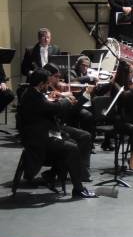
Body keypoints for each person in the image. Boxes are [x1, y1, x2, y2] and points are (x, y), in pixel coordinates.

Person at [17, 69, 96, 198]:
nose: (49, 86)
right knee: (72, 147)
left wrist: (59, 99)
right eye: (47, 83)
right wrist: (66, 100)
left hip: (44, 132)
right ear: (41, 83)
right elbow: (52, 108)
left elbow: (47, 107)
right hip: (39, 139)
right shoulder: (32, 96)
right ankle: (78, 188)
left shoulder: (33, 93)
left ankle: (57, 174)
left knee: (74, 141)